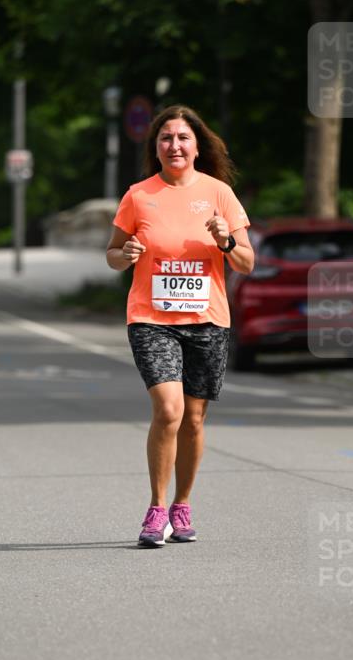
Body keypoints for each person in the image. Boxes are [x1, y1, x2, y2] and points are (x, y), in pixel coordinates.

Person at [106, 105, 254, 547]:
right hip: (152, 318)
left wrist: (225, 239)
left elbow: (246, 262)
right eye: (166, 138)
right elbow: (112, 254)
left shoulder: (219, 193)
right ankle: (155, 509)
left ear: (196, 146)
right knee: (168, 410)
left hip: (207, 320)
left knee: (193, 419)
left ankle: (182, 505)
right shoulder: (138, 195)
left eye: (182, 138)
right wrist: (125, 255)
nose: (174, 145)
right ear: (156, 147)